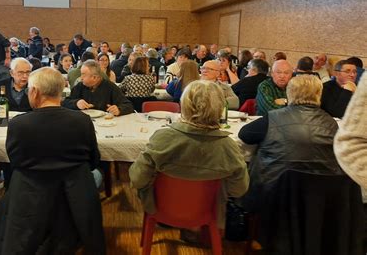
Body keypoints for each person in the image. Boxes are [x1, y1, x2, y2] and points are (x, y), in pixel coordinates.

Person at [0, 67, 105, 254]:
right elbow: (93, 161)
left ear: (34, 92)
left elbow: (16, 163)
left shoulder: (19, 124)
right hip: (75, 193)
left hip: (30, 194)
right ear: (60, 91)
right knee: (96, 176)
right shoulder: (82, 121)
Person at [239, 75, 361, 254]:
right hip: (318, 201)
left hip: (272, 194)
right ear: (319, 94)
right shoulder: (331, 124)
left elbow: (245, 135)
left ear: (290, 92)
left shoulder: (272, 118)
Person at [129, 80, 249, 228]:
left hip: (161, 207)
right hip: (209, 211)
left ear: (184, 105)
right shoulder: (229, 147)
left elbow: (137, 179)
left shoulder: (162, 138)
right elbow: (238, 190)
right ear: (220, 107)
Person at [63, 60, 133, 116]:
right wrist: (76, 103)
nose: (81, 78)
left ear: (94, 77)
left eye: (83, 74)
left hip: (105, 124)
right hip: (84, 122)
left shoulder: (110, 87)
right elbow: (65, 103)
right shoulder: (80, 86)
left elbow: (128, 105)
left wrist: (119, 110)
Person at [334, 74, 367, 188]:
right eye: (347, 71)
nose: (352, 74)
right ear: (337, 72)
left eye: (353, 71)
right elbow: (350, 145)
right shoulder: (328, 87)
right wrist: (347, 92)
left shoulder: (354, 86)